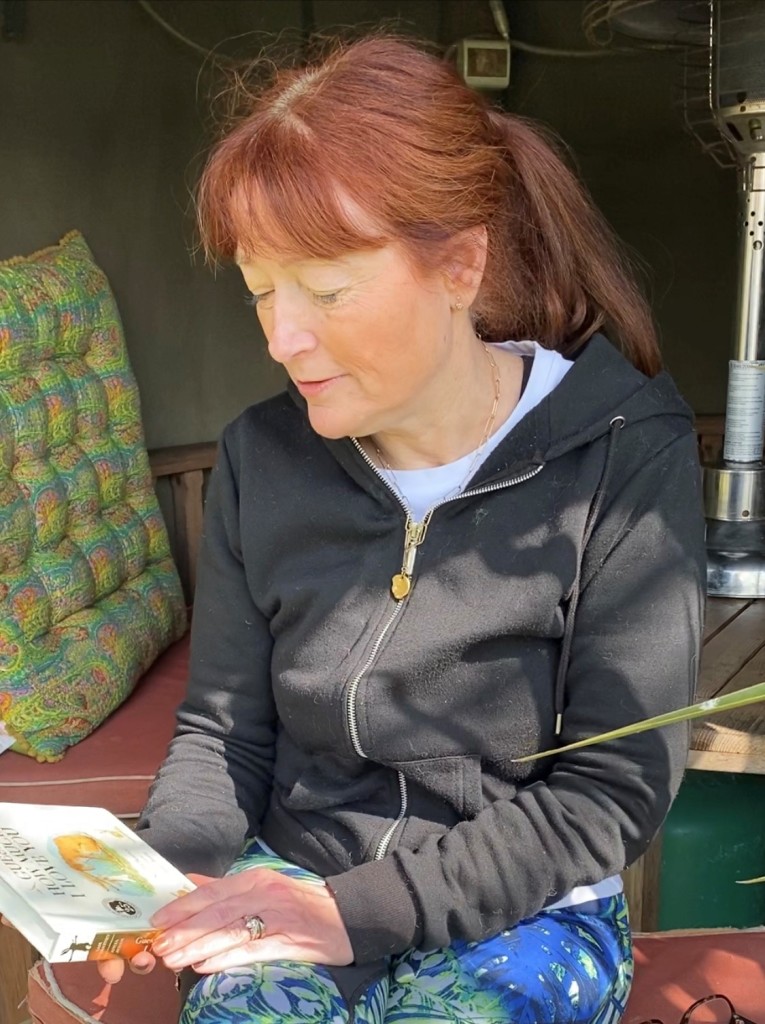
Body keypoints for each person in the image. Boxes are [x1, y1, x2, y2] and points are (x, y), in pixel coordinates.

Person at [128, 34, 704, 1023]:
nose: (282, 336)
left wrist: (352, 913)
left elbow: (611, 788)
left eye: (328, 289)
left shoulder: (620, 452)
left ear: (461, 265)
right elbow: (223, 736)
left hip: (523, 909)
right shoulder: (263, 462)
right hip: (295, 874)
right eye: (263, 289)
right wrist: (154, 879)